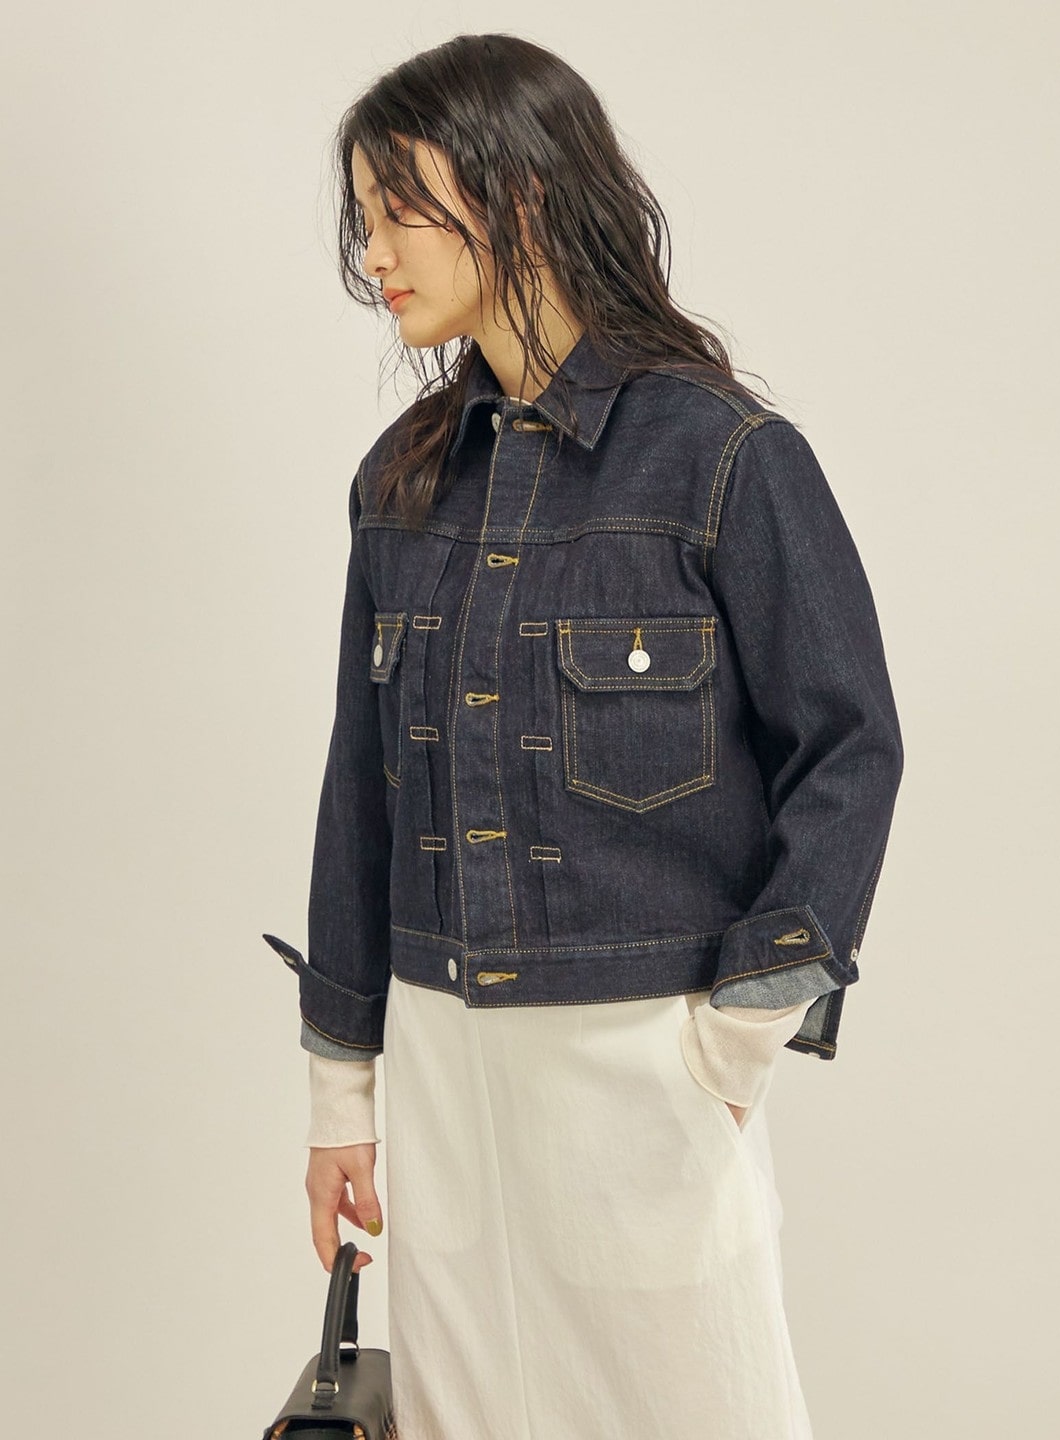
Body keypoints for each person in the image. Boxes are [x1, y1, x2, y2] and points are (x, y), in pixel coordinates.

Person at [262, 31, 903, 1440]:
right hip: (441, 1071)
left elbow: (851, 745)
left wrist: (734, 1039)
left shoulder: (723, 456)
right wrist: (339, 1098)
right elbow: (360, 794)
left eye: (400, 209)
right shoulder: (401, 482)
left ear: (523, 193)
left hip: (639, 1072)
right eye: (363, 220)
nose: (376, 254)